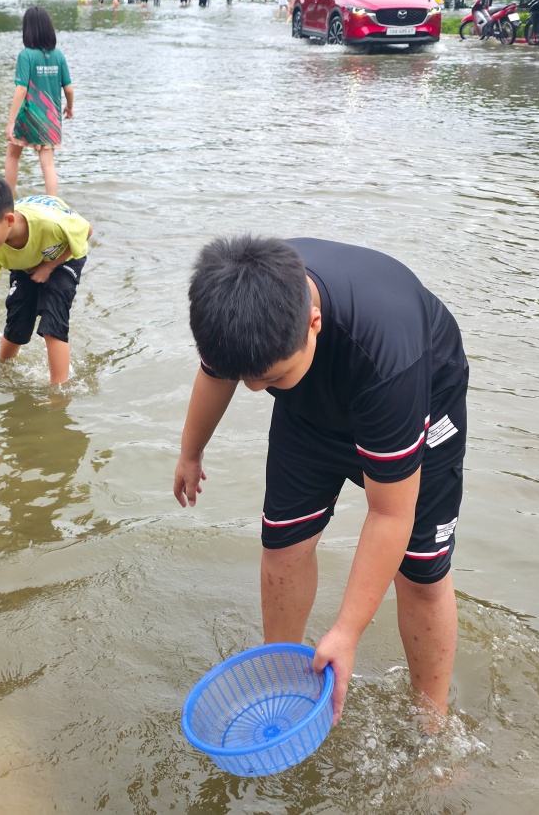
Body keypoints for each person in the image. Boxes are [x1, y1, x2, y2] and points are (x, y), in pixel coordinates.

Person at [174, 236, 469, 731]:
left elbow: (389, 513)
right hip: (310, 410)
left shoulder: (387, 357)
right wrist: (190, 452)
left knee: (420, 574)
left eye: (267, 380)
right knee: (283, 546)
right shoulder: (240, 307)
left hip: (417, 405)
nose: (253, 389)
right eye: (245, 377)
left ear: (314, 322)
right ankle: (280, 681)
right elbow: (220, 374)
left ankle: (431, 725)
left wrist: (346, 631)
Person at [0, 175, 92, 387]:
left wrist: (49, 266)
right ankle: (3, 368)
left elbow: (87, 230)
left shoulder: (50, 224)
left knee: (53, 315)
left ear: (9, 221)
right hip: (26, 261)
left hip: (62, 253)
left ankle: (58, 392)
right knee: (18, 320)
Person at [4, 6, 74, 196]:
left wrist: (11, 122)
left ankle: (6, 204)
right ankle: (53, 207)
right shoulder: (58, 55)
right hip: (50, 119)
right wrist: (69, 106)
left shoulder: (26, 55)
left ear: (27, 30)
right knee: (48, 165)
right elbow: (68, 88)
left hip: (27, 116)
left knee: (12, 156)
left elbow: (21, 89)